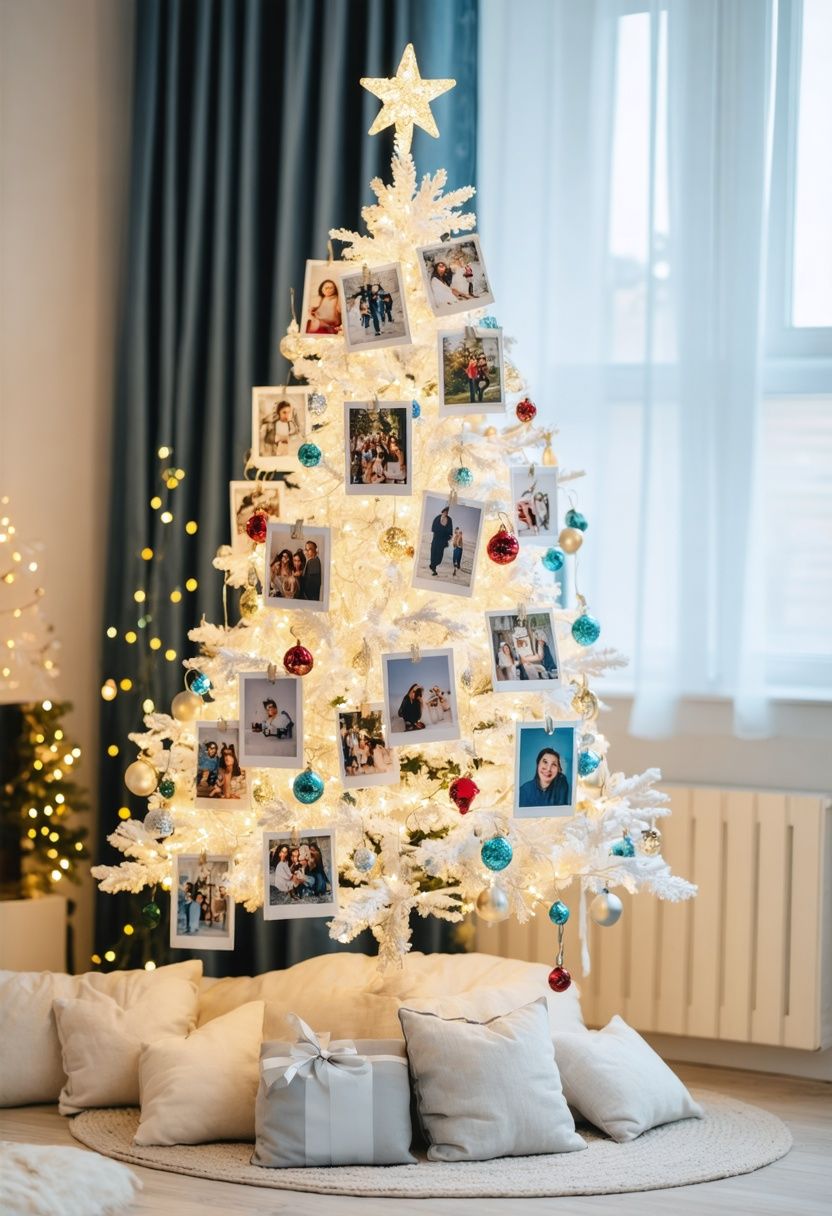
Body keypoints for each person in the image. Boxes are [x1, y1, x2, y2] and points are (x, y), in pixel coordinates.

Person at [429, 507, 454, 575]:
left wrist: (448, 536)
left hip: (442, 540)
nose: (445, 513)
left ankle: (434, 565)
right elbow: (434, 527)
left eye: (447, 512)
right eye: (444, 512)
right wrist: (438, 532)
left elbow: (450, 529)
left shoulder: (449, 519)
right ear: (442, 512)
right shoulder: (437, 517)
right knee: (433, 552)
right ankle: (433, 567)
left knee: (439, 556)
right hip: (436, 538)